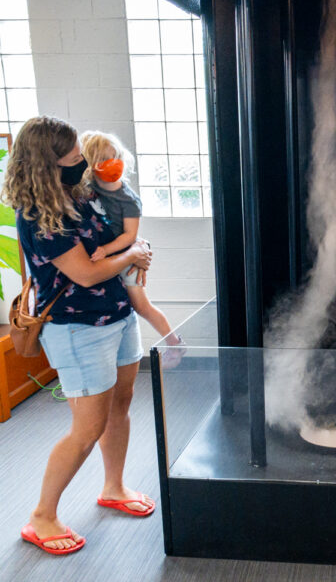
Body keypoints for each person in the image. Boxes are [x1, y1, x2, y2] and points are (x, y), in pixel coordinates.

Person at [1, 116, 154, 556]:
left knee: (120, 405)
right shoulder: (37, 215)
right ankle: (41, 516)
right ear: (44, 165)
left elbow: (114, 242)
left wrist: (136, 251)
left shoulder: (79, 194)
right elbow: (85, 273)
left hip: (118, 316)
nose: (79, 163)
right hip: (78, 330)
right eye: (71, 159)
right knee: (87, 428)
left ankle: (114, 486)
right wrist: (133, 252)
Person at [80, 130, 186, 368]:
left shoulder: (127, 198)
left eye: (116, 156)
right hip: (105, 263)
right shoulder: (87, 190)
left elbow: (130, 235)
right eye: (104, 159)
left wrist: (107, 250)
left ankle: (174, 342)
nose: (113, 163)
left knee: (140, 305)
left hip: (123, 255)